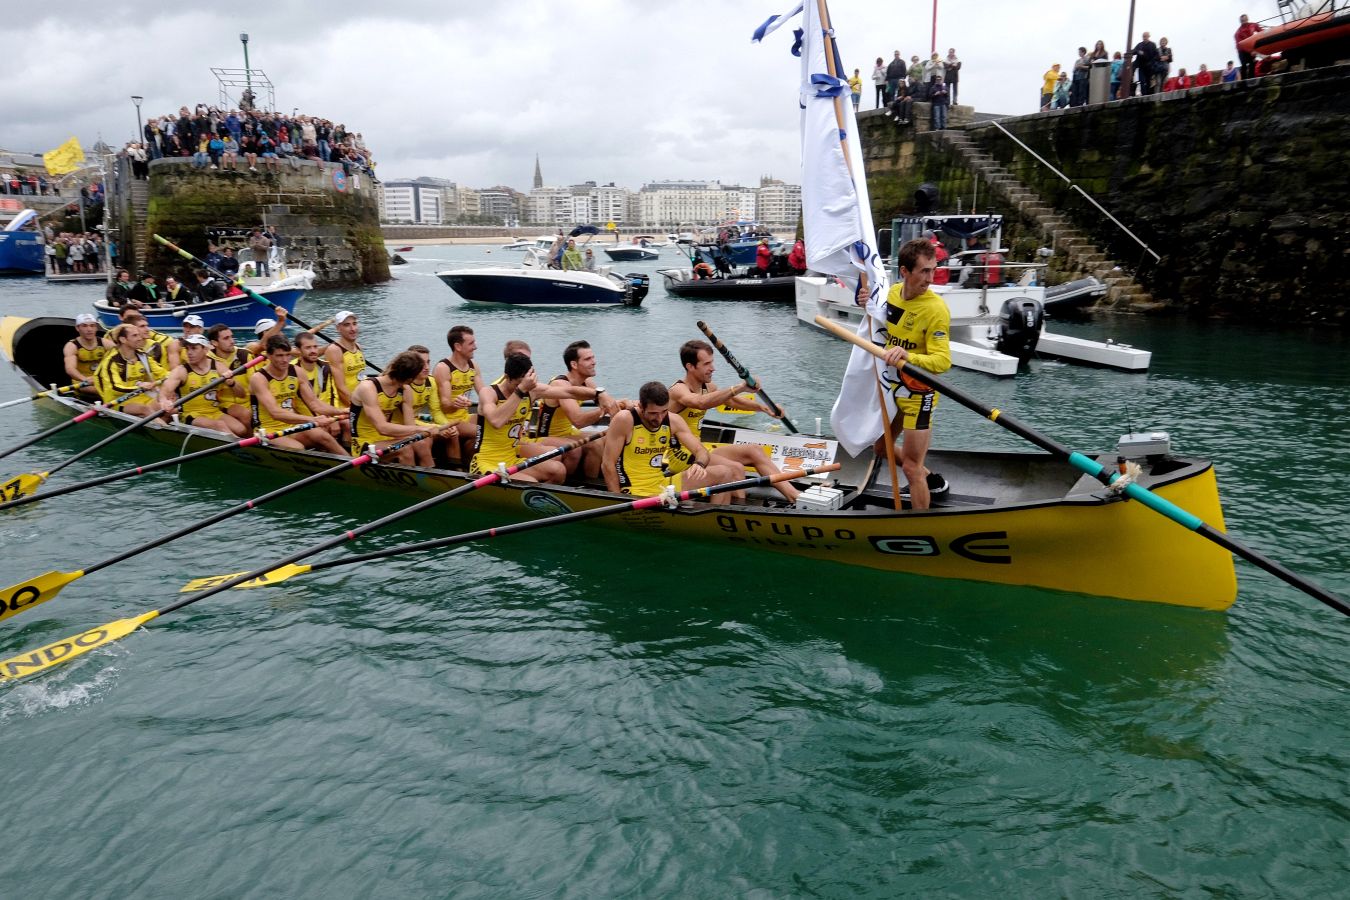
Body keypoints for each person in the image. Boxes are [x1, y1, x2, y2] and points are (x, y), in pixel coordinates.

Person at [668, 340, 800, 504]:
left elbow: (733, 402)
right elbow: (699, 403)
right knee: (735, 468)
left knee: (754, 451)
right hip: (679, 457)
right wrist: (740, 387)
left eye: (712, 362)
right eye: (706, 364)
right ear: (690, 366)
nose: (713, 368)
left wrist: (764, 408)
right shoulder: (678, 390)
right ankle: (739, 512)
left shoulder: (709, 387)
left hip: (699, 451)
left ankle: (794, 496)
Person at [873, 238, 952, 510]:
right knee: (881, 449)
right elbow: (876, 318)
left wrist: (908, 356)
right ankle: (933, 480)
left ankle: (919, 529)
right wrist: (863, 300)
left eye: (934, 270)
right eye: (924, 271)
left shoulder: (935, 309)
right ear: (905, 272)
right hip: (894, 387)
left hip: (920, 393)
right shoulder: (893, 293)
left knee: (910, 467)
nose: (930, 278)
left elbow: (943, 361)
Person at [603, 381, 744, 503]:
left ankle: (713, 521)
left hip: (662, 485)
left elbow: (701, 451)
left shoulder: (673, 420)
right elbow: (607, 465)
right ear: (640, 406)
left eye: (663, 411)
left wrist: (699, 464)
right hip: (634, 490)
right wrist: (617, 499)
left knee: (725, 472)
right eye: (653, 413)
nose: (659, 418)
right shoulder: (625, 420)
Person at [469, 353, 568, 484]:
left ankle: (538, 500)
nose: (523, 387)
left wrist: (597, 394)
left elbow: (569, 392)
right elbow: (496, 421)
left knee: (558, 470)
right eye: (519, 384)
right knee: (531, 482)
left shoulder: (530, 390)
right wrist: (521, 390)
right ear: (507, 377)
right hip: (486, 462)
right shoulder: (489, 393)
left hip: (511, 458)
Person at [535, 340, 624, 479]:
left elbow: (611, 404)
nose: (594, 362)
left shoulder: (587, 382)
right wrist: (607, 409)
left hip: (568, 433)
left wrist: (629, 406)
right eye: (588, 359)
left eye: (593, 357)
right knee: (595, 443)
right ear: (574, 364)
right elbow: (578, 420)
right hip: (545, 437)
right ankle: (588, 486)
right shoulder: (560, 384)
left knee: (610, 438)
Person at [348, 350, 452, 464]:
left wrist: (436, 429)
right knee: (404, 448)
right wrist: (422, 428)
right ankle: (412, 479)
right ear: (409, 378)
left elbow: (410, 425)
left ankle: (432, 478)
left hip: (387, 440)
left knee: (421, 443)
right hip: (364, 444)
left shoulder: (405, 390)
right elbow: (382, 428)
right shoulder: (368, 388)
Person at [248, 335, 348, 454]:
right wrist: (312, 420)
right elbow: (275, 413)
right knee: (298, 448)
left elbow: (314, 404)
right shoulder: (259, 378)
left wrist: (342, 411)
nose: (285, 360)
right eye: (279, 356)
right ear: (269, 356)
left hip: (291, 426)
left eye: (287, 354)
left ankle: (354, 466)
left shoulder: (296, 372)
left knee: (324, 437)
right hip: (267, 430)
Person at [159, 334, 248, 437]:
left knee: (241, 430)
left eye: (194, 348)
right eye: (187, 349)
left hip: (214, 411)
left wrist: (232, 383)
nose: (189, 353)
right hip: (191, 415)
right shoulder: (181, 371)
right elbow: (165, 389)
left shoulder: (217, 366)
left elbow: (242, 394)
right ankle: (244, 451)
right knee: (219, 425)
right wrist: (163, 400)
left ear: (205, 350)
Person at [93, 323, 169, 416]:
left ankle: (161, 425)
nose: (140, 338)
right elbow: (115, 388)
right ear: (123, 339)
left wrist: (175, 376)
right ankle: (158, 426)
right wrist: (139, 388)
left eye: (138, 335)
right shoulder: (111, 361)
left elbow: (163, 373)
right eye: (134, 336)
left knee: (170, 407)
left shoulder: (143, 356)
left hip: (141, 396)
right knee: (145, 409)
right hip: (119, 401)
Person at [206, 323, 253, 429]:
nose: (232, 341)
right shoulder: (207, 360)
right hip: (223, 404)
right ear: (214, 343)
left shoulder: (245, 355)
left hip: (249, 400)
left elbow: (254, 384)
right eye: (226, 338)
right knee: (245, 414)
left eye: (231, 336)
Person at [322, 310, 365, 408]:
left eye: (354, 324)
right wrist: (358, 408)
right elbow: (340, 388)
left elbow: (361, 376)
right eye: (347, 325)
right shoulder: (335, 350)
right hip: (345, 405)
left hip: (361, 398)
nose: (352, 329)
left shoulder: (358, 347)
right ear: (338, 328)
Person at [62, 313, 107, 399]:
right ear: (77, 328)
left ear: (96, 328)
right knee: (104, 390)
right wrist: (84, 379)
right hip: (82, 383)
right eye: (84, 326)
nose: (89, 329)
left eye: (92, 326)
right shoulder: (72, 346)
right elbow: (70, 369)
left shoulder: (105, 343)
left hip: (101, 381)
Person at [1235, 14, 1263, 80]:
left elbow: (1261, 31)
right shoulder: (1238, 33)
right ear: (1240, 21)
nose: (1244, 21)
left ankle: (1251, 79)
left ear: (1247, 19)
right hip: (1242, 50)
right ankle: (1243, 81)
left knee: (1252, 64)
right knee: (1244, 65)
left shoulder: (1253, 25)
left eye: (1245, 19)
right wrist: (1251, 51)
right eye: (1242, 20)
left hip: (1251, 47)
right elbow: (1240, 45)